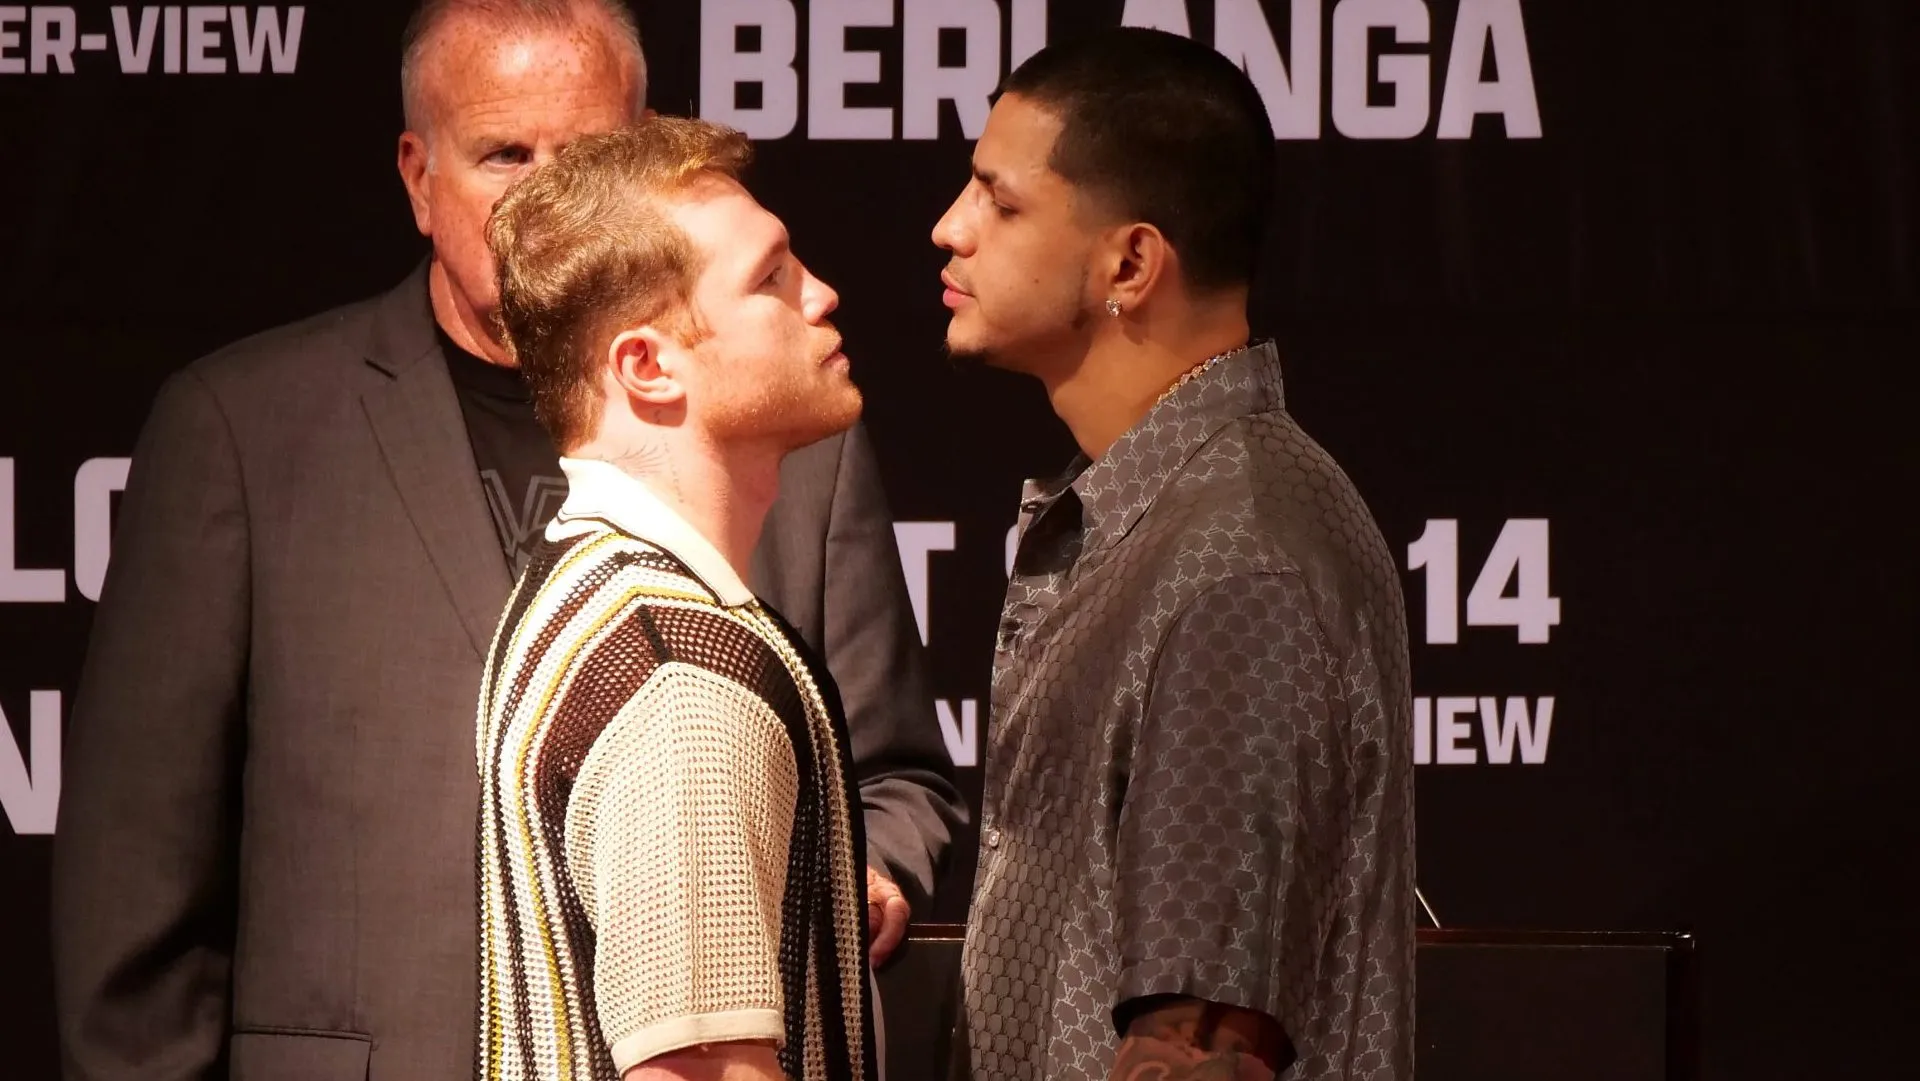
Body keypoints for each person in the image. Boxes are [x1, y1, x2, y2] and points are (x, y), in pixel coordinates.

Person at [50, 2, 959, 1078]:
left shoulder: (787, 433)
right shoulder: (245, 430)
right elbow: (136, 882)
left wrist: (837, 872)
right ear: (417, 175)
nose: (544, 201)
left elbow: (895, 779)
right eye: (503, 155)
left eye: (584, 159)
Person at [931, 27, 1415, 1081]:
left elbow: (1203, 1053)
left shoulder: (1241, 566)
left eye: (999, 202)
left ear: (1131, 262)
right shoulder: (1158, 521)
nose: (949, 230)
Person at [477, 116, 872, 1081]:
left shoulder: (585, 586)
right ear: (647, 366)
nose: (821, 294)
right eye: (769, 277)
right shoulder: (673, 674)